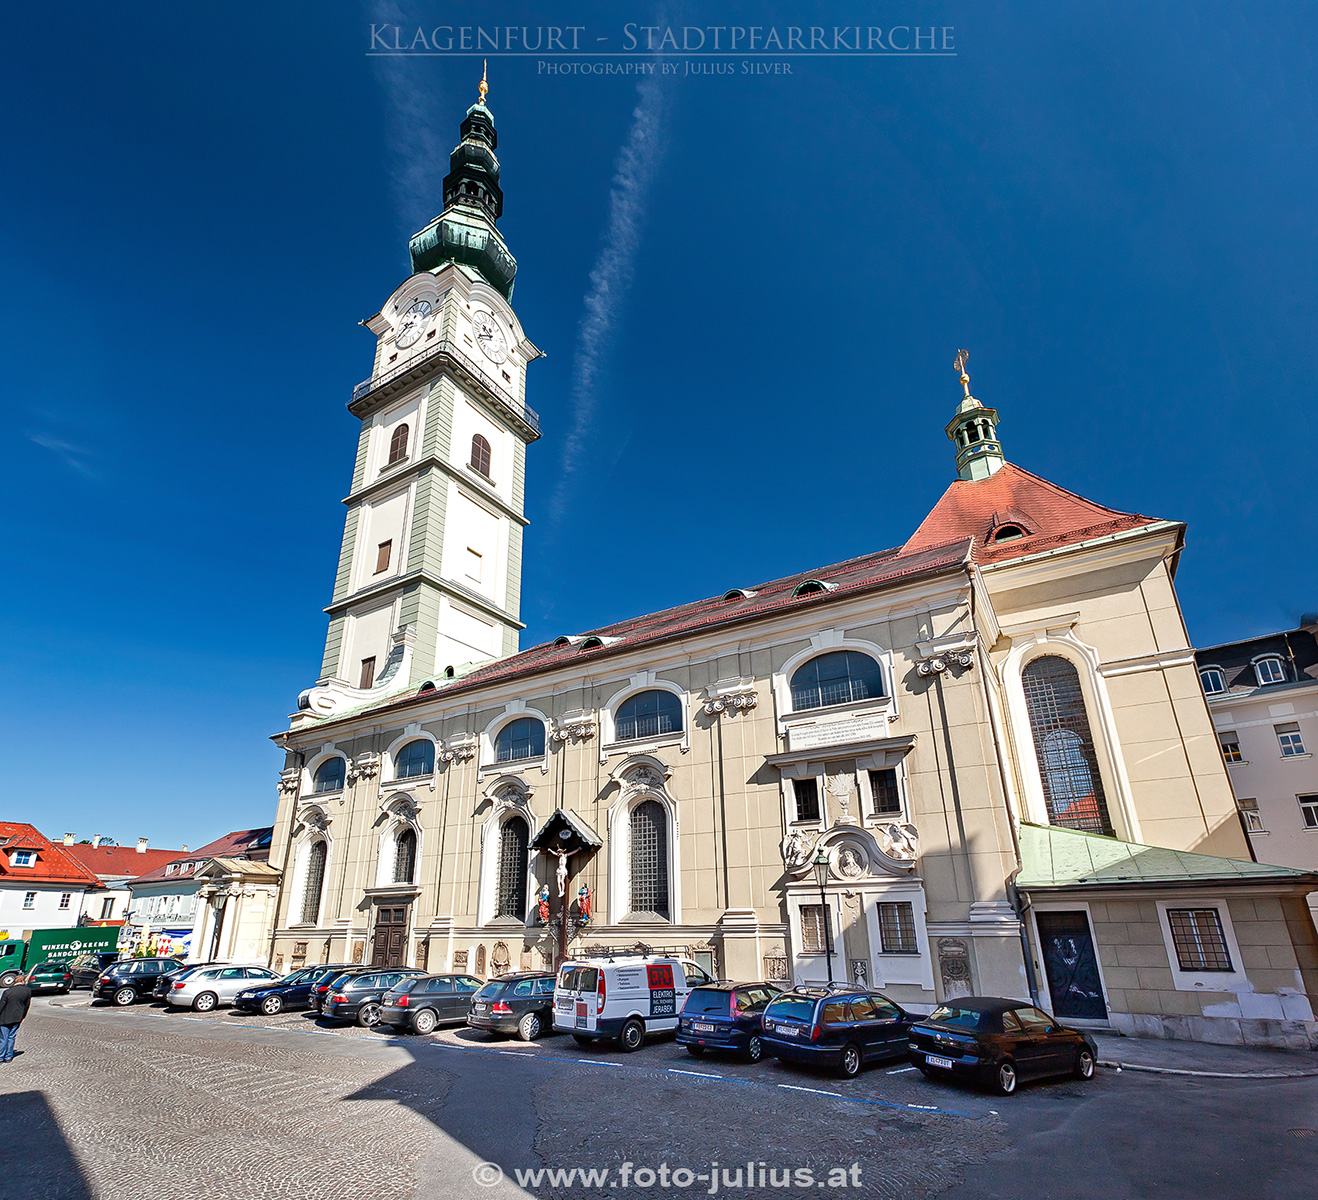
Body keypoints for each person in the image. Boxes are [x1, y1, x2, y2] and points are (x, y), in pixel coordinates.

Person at [0, 979, 33, 1063]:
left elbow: (1, 1006)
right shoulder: (27, 991)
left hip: (5, 1018)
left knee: (4, 1038)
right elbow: (27, 1005)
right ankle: (8, 1057)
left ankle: (1, 1057)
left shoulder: (8, 992)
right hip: (17, 1017)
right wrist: (23, 1017)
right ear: (22, 981)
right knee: (11, 1037)